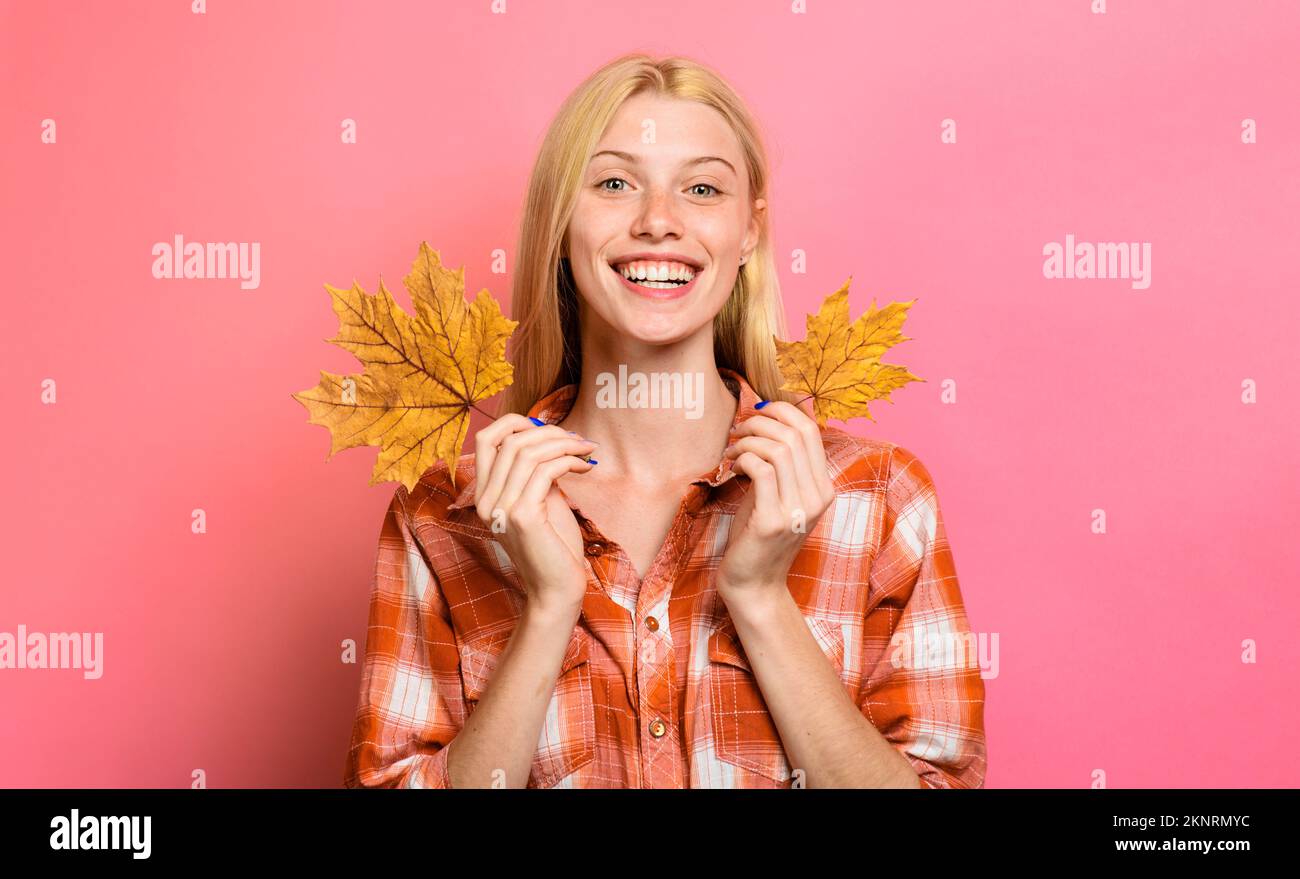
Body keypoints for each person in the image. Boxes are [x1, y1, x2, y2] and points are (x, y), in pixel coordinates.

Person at [343, 53, 986, 789]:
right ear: (560, 223)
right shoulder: (443, 517)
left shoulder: (879, 499)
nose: (658, 221)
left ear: (749, 231)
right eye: (615, 183)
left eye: (703, 188)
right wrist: (550, 608)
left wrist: (761, 600)